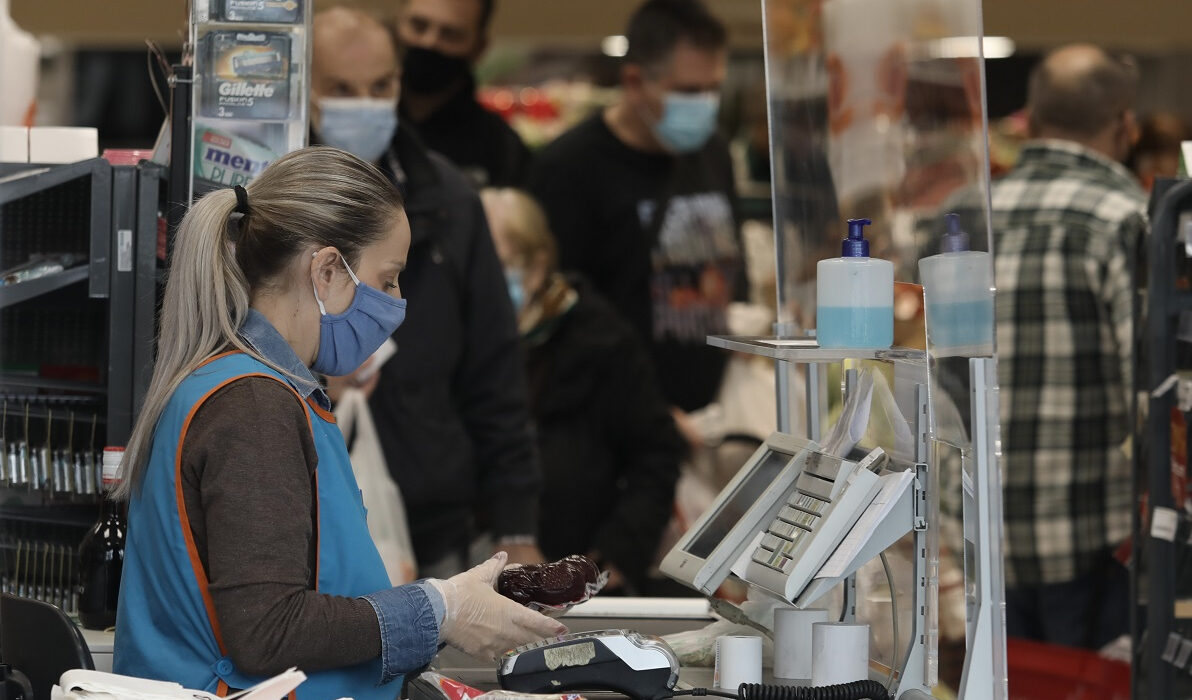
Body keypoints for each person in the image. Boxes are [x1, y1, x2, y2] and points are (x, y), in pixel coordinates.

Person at [112, 148, 565, 699]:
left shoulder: (259, 390)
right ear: (326, 270)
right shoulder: (253, 406)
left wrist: (448, 607)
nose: (398, 301)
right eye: (390, 278)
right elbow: (267, 630)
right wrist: (439, 609)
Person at [311, 7, 546, 576]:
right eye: (341, 88)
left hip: (432, 517)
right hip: (302, 512)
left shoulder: (450, 199)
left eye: (380, 87)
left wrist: (516, 524)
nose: (363, 103)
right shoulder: (269, 199)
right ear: (304, 88)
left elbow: (495, 372)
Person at [989, 44, 1145, 648]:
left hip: (976, 543)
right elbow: (1155, 386)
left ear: (1032, 114)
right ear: (1124, 123)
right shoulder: (1127, 219)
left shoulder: (963, 215)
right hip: (1092, 543)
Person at [528, 0, 745, 422]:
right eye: (687, 91)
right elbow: (562, 315)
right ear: (633, 80)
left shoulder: (713, 152)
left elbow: (735, 266)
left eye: (713, 89)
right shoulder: (569, 167)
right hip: (618, 425)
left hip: (717, 414)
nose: (704, 105)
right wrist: (646, 412)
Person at [480, 188, 685, 594]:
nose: (479, 282)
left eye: (494, 265)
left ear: (536, 268)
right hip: (467, 570)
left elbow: (656, 453)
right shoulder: (456, 340)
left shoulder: (599, 340)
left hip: (578, 582)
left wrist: (608, 560)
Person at [395, 0, 532, 188]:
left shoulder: (502, 149)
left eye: (450, 35)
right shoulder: (357, 120)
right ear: (398, 22)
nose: (429, 42)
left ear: (479, 48)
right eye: (419, 26)